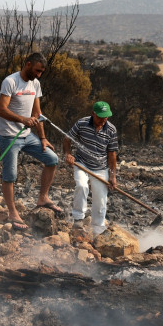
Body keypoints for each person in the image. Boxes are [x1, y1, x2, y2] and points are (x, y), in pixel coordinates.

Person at [0, 52, 62, 230]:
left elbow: (37, 113)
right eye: (37, 70)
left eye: (41, 72)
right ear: (28, 64)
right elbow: (1, 110)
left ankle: (43, 198)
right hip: (9, 135)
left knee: (52, 159)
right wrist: (23, 120)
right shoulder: (10, 82)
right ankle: (12, 212)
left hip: (27, 136)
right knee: (10, 175)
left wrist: (42, 138)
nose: (39, 75)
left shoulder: (36, 84)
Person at [63, 101, 118, 236]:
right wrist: (68, 154)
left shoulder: (111, 130)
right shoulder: (81, 123)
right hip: (82, 163)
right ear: (93, 114)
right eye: (100, 117)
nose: (103, 120)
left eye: (106, 117)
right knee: (82, 186)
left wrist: (112, 175)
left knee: (100, 199)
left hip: (100, 167)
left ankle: (98, 229)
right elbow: (67, 138)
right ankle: (78, 220)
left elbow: (112, 154)